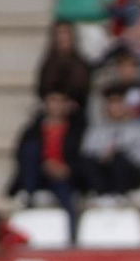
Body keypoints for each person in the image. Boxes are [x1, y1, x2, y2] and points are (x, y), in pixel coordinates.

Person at [9, 91, 88, 230]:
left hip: (64, 175)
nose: (56, 106)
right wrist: (45, 165)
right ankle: (29, 198)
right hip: (38, 173)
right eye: (53, 101)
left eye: (60, 101)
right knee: (31, 149)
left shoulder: (76, 129)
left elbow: (83, 156)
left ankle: (71, 234)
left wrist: (67, 169)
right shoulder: (33, 130)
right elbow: (21, 155)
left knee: (67, 198)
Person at [82, 85, 140, 196]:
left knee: (119, 159)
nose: (116, 107)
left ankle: (120, 196)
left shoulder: (138, 129)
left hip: (129, 174)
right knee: (89, 163)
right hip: (105, 171)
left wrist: (120, 153)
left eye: (119, 103)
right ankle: (102, 196)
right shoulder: (97, 130)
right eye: (112, 103)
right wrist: (102, 156)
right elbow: (86, 151)